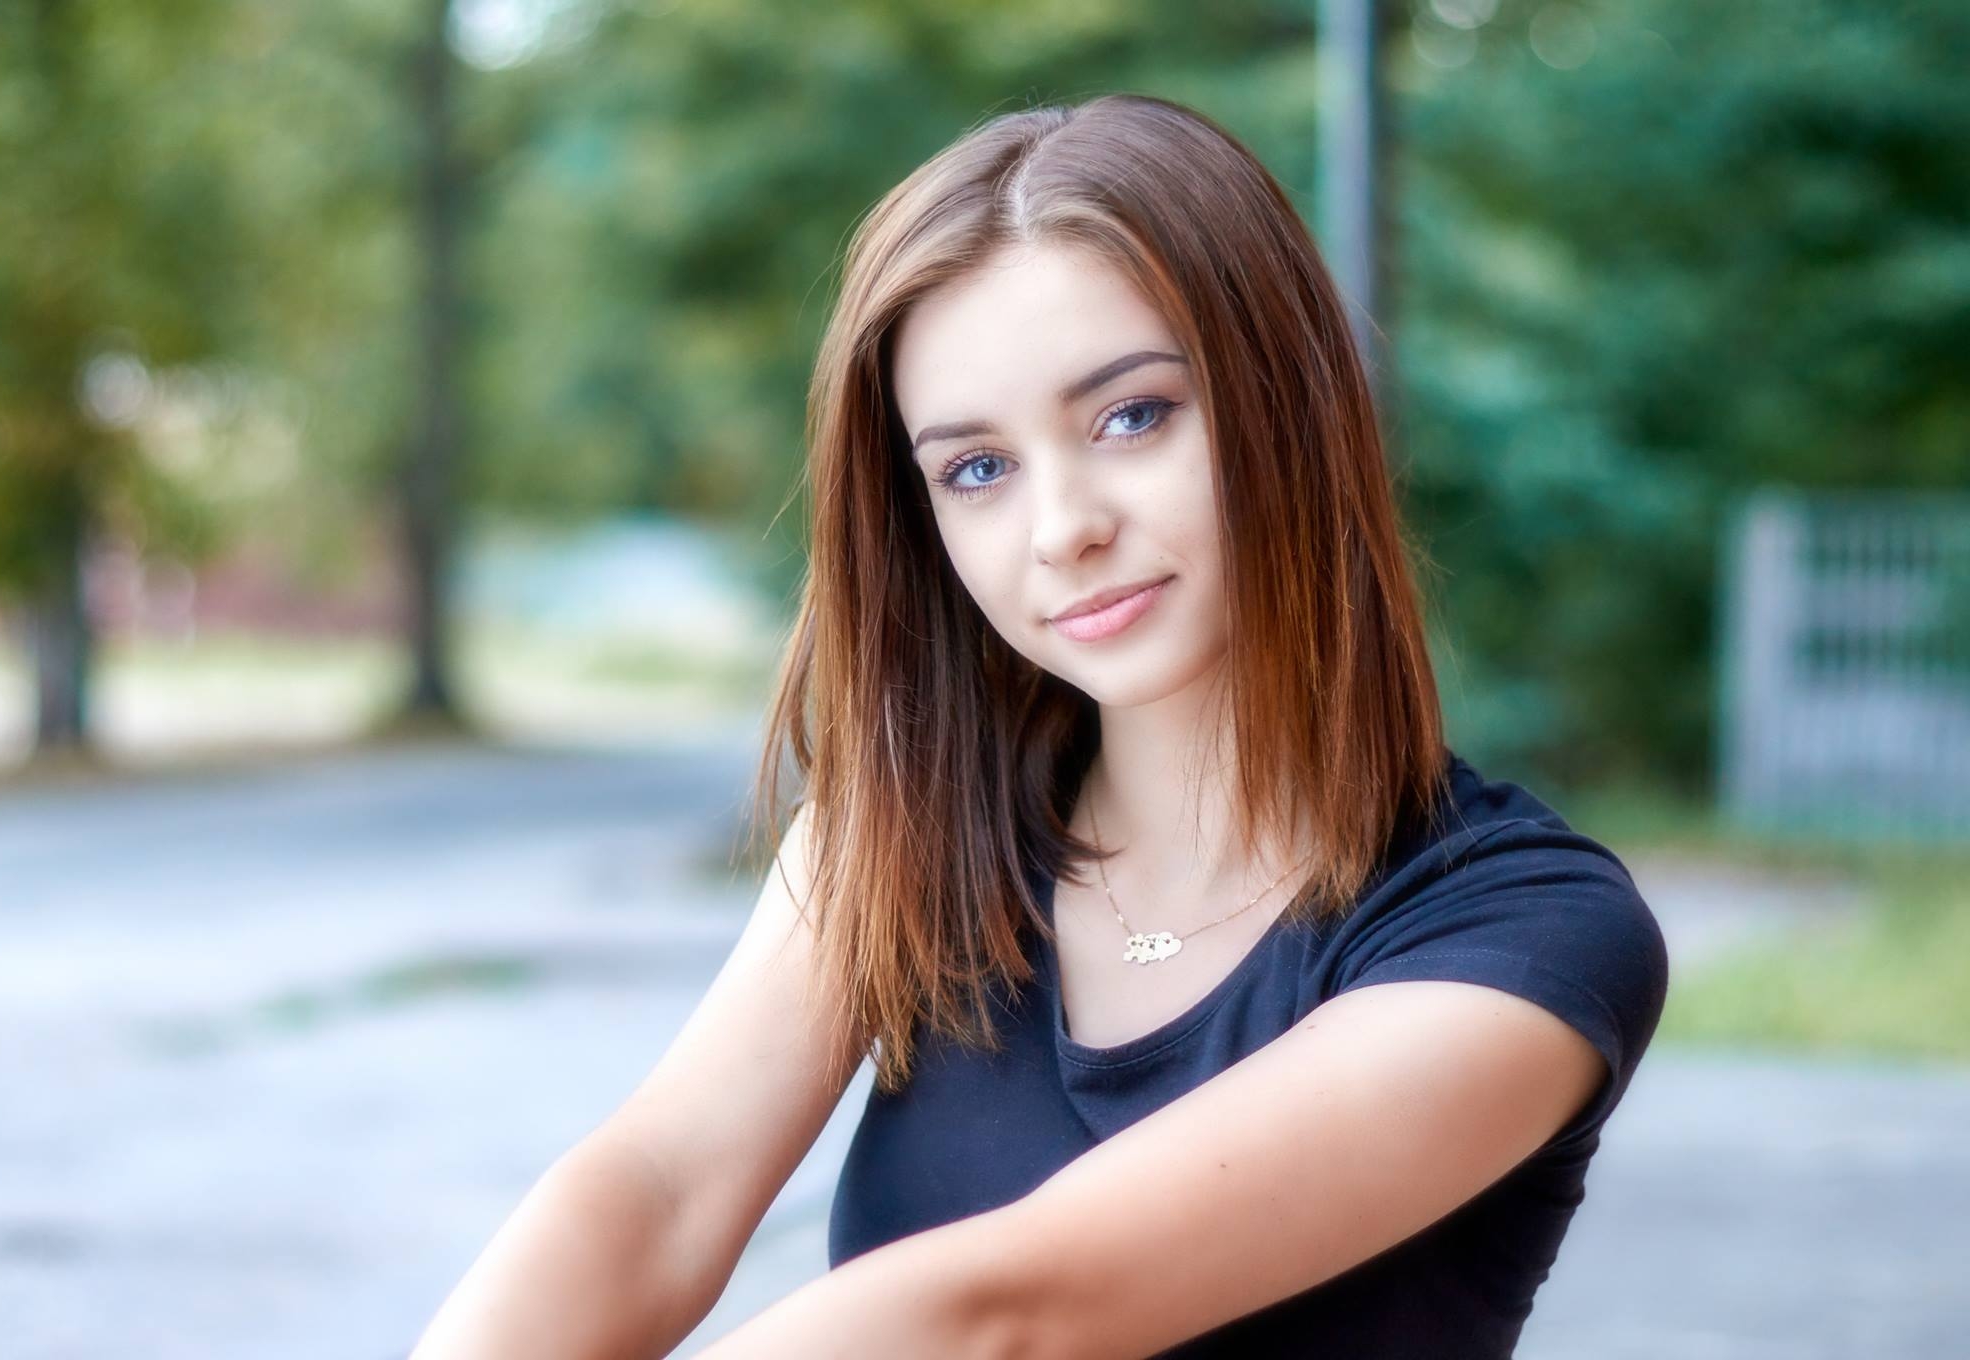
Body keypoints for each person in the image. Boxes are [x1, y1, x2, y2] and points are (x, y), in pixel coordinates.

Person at [409, 92, 1669, 1360]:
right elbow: (656, 1193)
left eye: (1131, 415)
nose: (1061, 525)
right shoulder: (904, 838)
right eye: (976, 468)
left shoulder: (1520, 935)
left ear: (1288, 398)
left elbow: (1012, 1318)